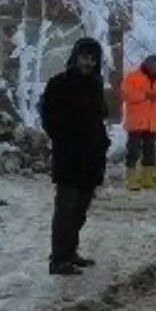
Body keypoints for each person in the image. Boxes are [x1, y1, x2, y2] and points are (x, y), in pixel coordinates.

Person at [39, 36, 111, 276]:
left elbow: (99, 117)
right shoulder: (59, 84)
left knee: (80, 210)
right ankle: (58, 259)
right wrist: (64, 140)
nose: (88, 63)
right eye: (84, 57)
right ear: (75, 57)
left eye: (92, 58)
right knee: (65, 210)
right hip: (69, 158)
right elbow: (48, 116)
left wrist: (103, 143)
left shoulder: (95, 84)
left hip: (91, 159)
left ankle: (70, 252)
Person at [122, 52, 156, 190]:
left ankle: (147, 179)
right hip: (136, 121)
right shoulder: (133, 76)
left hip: (153, 122)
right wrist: (145, 95)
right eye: (151, 63)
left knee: (150, 150)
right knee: (133, 150)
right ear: (145, 63)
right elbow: (126, 93)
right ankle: (131, 179)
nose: (153, 66)